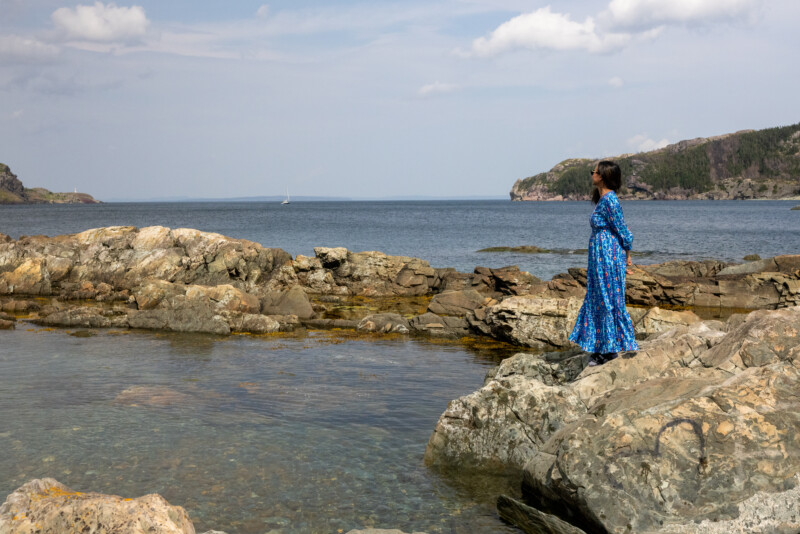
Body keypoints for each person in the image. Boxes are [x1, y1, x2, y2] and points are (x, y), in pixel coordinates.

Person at [568, 160, 639, 365]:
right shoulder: (603, 199)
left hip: (608, 256)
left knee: (607, 299)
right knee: (599, 298)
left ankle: (609, 351)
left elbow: (624, 231)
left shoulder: (610, 201)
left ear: (603, 176)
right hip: (600, 256)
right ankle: (603, 346)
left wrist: (627, 257)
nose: (592, 174)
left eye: (594, 171)